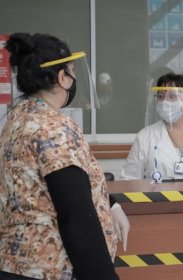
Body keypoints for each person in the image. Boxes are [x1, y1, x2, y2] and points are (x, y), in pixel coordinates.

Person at [0, 33, 129, 280]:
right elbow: (75, 212)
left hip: (14, 264)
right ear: (62, 78)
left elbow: (43, 184)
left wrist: (110, 202)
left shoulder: (15, 119)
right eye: (72, 70)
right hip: (50, 269)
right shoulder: (54, 127)